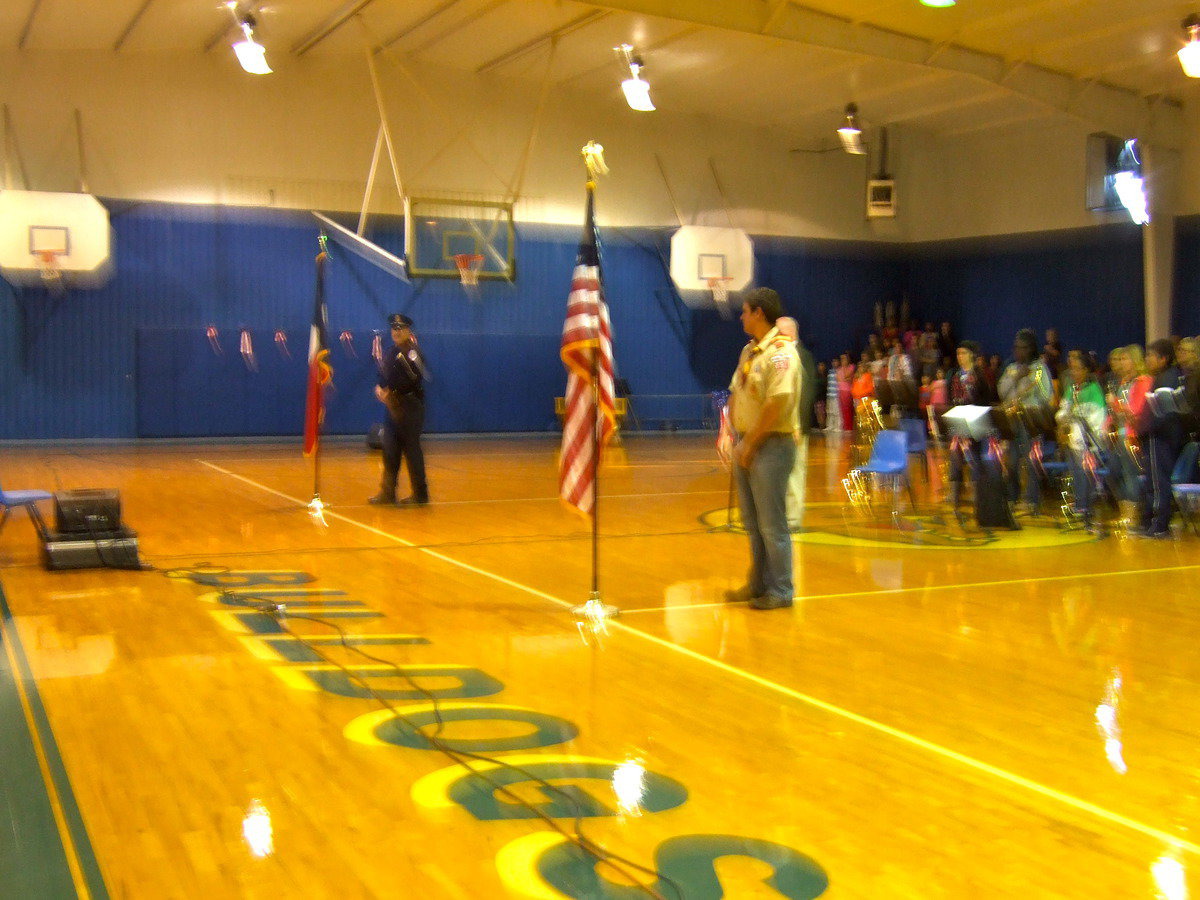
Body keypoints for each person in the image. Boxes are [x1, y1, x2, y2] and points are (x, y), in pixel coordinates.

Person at [718, 288, 800, 611]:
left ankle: (781, 589)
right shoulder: (750, 352)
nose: (741, 316)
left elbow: (776, 403)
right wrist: (731, 433)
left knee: (772, 524)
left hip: (770, 446)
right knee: (752, 522)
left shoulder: (781, 353)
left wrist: (751, 443)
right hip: (747, 442)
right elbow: (737, 391)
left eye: (745, 311)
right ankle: (758, 584)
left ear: (759, 314)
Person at [369, 313, 430, 506]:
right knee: (390, 449)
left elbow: (415, 377)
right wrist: (380, 388)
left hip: (410, 406)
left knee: (412, 451)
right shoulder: (389, 352)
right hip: (392, 406)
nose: (396, 332)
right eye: (394, 328)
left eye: (400, 328)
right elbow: (382, 374)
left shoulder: (413, 353)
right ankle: (387, 493)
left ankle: (420, 494)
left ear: (408, 331)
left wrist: (392, 390)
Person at [998, 329, 1054, 513]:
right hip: (1013, 419)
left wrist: (1031, 383)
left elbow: (1047, 396)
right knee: (1012, 461)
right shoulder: (1011, 368)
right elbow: (1002, 392)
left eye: (1023, 348)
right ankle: (1012, 497)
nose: (1018, 352)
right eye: (1016, 348)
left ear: (1031, 349)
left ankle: (1031, 501)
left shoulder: (1040, 368)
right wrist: (1016, 378)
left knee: (1032, 461)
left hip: (1031, 420)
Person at [1136, 339, 1184, 538]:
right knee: (1154, 481)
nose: (1147, 359)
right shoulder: (1165, 377)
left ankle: (1159, 525)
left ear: (1163, 359)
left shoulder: (1168, 379)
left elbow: (1161, 413)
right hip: (1158, 437)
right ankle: (1151, 522)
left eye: (1150, 356)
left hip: (1159, 438)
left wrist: (1142, 429)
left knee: (1158, 482)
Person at [1055, 350, 1107, 528]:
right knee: (1074, 469)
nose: (1073, 373)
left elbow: (1098, 418)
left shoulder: (1094, 390)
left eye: (1077, 369)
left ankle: (1085, 506)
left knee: (1082, 468)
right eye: (1072, 369)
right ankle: (1079, 504)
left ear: (1086, 371)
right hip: (1072, 439)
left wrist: (1076, 422)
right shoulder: (1071, 390)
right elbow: (1062, 412)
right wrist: (1063, 421)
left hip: (1089, 441)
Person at [775, 316, 813, 531]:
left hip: (795, 428)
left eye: (778, 332)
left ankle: (793, 520)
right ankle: (784, 516)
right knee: (783, 474)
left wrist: (795, 425)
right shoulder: (782, 356)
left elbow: (804, 394)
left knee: (796, 472)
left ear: (789, 333)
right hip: (782, 427)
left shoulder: (802, 356)